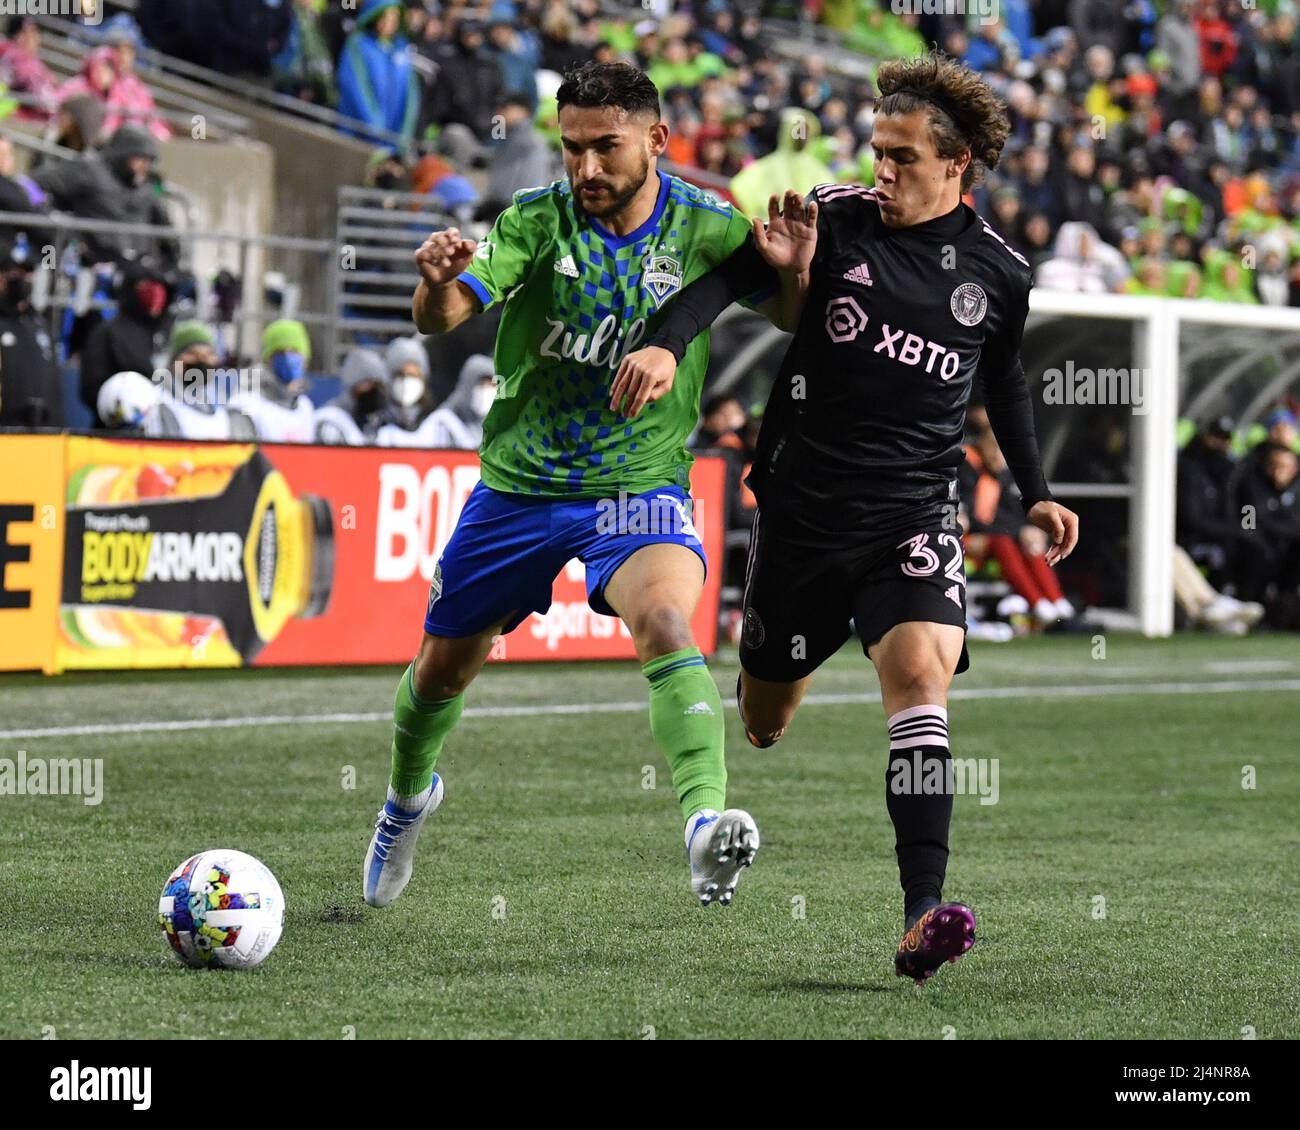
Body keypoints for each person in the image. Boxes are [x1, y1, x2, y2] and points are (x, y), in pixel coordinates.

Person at [616, 51, 1079, 985]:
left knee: (919, 678)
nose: (883, 169)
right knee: (763, 718)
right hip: (801, 514)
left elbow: (1006, 381)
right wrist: (666, 345)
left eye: (902, 156)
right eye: (877, 150)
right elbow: (730, 281)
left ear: (958, 166)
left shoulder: (999, 271)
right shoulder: (834, 218)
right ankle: (788, 670)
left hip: (912, 515)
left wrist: (1036, 491)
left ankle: (921, 914)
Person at [364, 62, 777, 914]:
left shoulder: (706, 224)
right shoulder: (535, 222)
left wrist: (797, 263)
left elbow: (788, 308)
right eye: (572, 149)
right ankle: (406, 803)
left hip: (639, 484)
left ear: (657, 140)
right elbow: (445, 315)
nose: (587, 169)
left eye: (606, 148)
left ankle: (705, 829)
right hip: (519, 488)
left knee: (666, 621)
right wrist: (436, 282)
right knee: (442, 671)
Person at [31, 123, 178, 268]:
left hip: (137, 267)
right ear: (124, 154)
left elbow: (167, 231)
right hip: (93, 264)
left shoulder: (148, 186)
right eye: (140, 159)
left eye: (149, 161)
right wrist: (51, 218)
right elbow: (31, 185)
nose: (145, 166)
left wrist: (171, 264)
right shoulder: (88, 169)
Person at [78, 256, 171, 416]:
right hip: (118, 428)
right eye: (145, 285)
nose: (155, 292)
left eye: (158, 286)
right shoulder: (108, 332)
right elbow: (91, 388)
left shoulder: (163, 333)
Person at [336, 0, 421, 146]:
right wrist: (375, 130)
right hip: (357, 136)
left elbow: (411, 97)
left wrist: (402, 139)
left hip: (390, 143)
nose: (390, 22)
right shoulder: (359, 44)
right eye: (386, 16)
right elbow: (355, 88)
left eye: (395, 17)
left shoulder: (402, 51)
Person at [0, 238, 62, 428]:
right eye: (14, 272)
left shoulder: (40, 324)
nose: (23, 278)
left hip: (42, 434)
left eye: (27, 273)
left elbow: (54, 385)